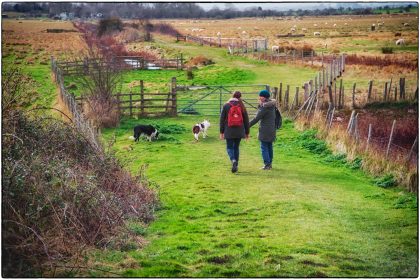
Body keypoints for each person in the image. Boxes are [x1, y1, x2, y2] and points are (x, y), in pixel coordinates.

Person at [220, 91, 250, 173]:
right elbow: (246, 120)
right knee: (236, 147)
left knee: (229, 147)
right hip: (239, 130)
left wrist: (221, 132)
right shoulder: (242, 106)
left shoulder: (226, 105)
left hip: (229, 130)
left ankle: (233, 160)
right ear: (240, 97)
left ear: (232, 96)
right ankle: (236, 165)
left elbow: (222, 120)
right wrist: (247, 132)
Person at [249, 89, 277, 170]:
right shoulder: (272, 105)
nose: (260, 98)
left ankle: (267, 165)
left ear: (265, 97)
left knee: (264, 147)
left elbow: (256, 118)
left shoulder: (265, 107)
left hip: (265, 129)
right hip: (272, 128)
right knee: (269, 146)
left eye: (261, 96)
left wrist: (247, 125)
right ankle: (269, 163)